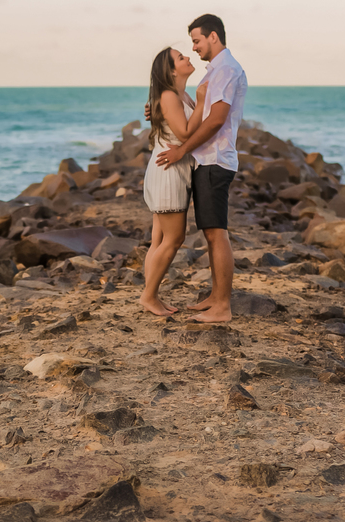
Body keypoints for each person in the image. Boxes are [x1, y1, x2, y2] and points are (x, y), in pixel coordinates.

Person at [155, 14, 248, 324]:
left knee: (216, 233)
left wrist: (182, 149)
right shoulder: (219, 70)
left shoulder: (225, 70)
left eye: (196, 40)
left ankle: (222, 305)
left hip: (214, 160)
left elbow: (217, 119)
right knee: (211, 233)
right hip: (208, 160)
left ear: (213, 37)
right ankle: (215, 296)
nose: (193, 48)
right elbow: (199, 113)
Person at [141, 47, 208, 316]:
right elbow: (183, 133)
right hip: (168, 171)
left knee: (158, 239)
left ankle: (151, 295)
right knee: (174, 237)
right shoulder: (169, 96)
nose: (188, 58)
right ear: (170, 71)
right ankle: (148, 296)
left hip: (169, 169)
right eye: (181, 58)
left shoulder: (178, 95)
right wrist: (204, 103)